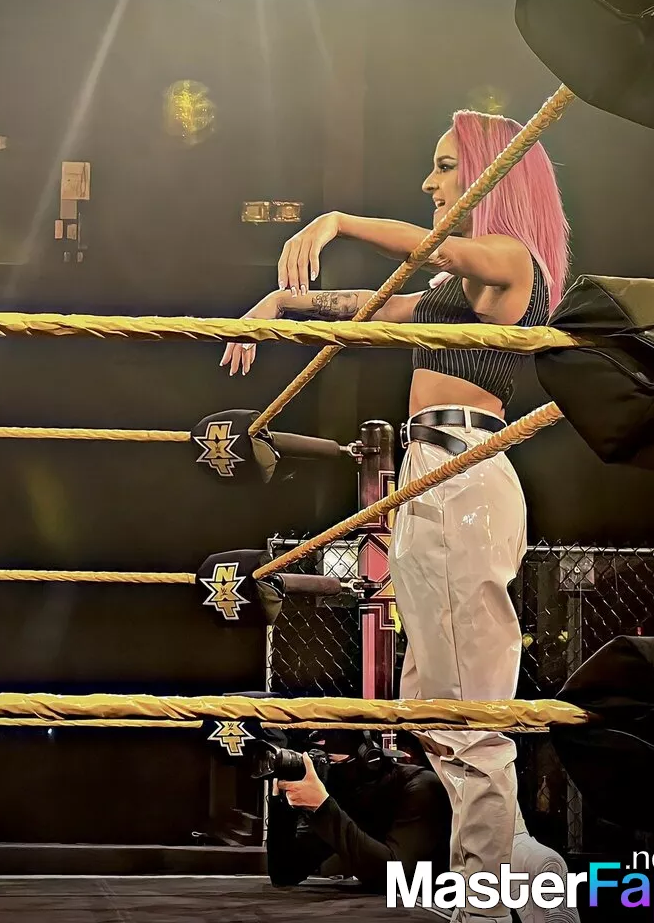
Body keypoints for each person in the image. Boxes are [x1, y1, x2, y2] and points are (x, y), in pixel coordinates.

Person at [221, 110, 571, 922]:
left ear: (489, 173)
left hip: (463, 473)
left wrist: (338, 219)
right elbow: (377, 309)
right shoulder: (457, 290)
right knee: (428, 698)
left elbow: (440, 249)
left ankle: (486, 894)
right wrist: (284, 300)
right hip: (430, 475)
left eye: (445, 165)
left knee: (468, 704)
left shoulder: (509, 261)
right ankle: (522, 867)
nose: (429, 181)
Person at [266, 729, 451, 891]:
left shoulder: (420, 786)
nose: (324, 770)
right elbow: (284, 872)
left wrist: (322, 808)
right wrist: (282, 804)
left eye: (328, 760)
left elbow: (397, 878)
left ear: (369, 757)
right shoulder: (345, 791)